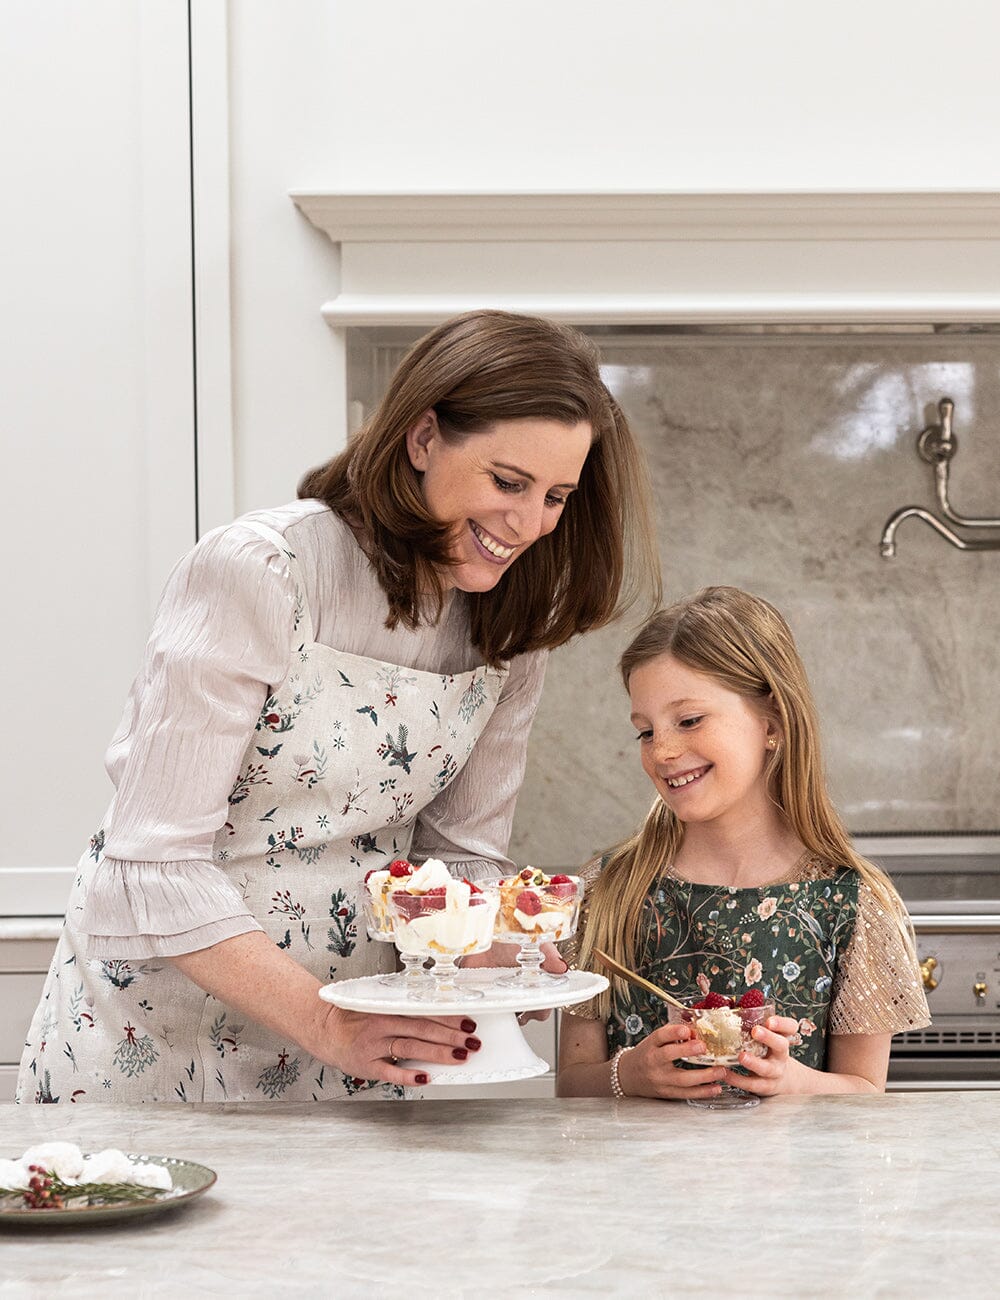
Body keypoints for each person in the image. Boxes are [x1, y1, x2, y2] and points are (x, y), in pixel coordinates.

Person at [18, 310, 659, 1105]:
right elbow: (155, 862)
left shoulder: (509, 629)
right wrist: (323, 1024)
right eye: (508, 481)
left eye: (557, 496)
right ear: (423, 439)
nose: (529, 525)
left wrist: (490, 942)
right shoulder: (259, 571)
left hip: (358, 1041)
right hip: (159, 1032)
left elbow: (458, 853)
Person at [557, 586, 930, 1102]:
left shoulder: (852, 901)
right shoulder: (609, 889)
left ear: (771, 725)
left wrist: (792, 1080)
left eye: (689, 720)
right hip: (637, 1183)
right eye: (644, 732)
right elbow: (572, 1085)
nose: (662, 751)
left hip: (794, 1184)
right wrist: (632, 1075)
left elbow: (865, 1094)